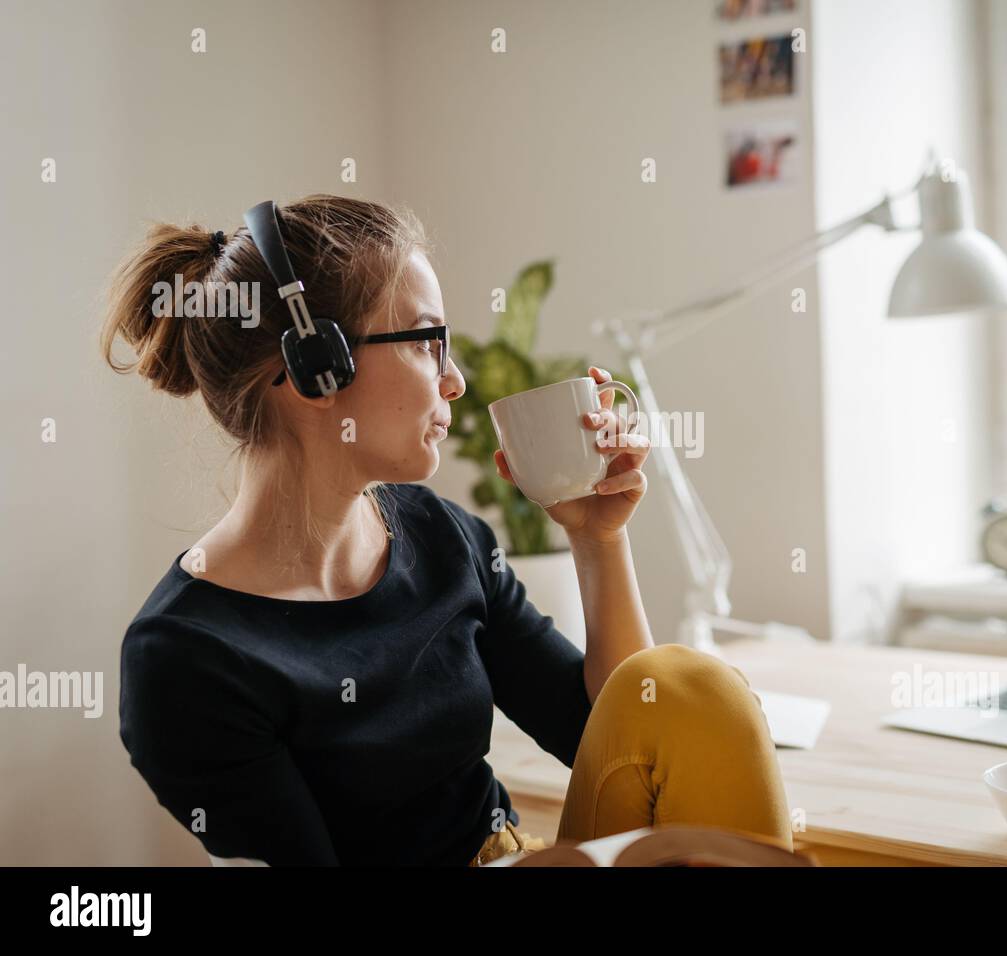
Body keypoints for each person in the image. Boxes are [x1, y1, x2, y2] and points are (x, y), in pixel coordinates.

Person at [102, 193, 793, 866]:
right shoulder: (186, 657)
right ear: (316, 367)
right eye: (429, 342)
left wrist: (597, 537)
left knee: (695, 689)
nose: (455, 380)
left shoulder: (440, 535)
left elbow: (621, 735)